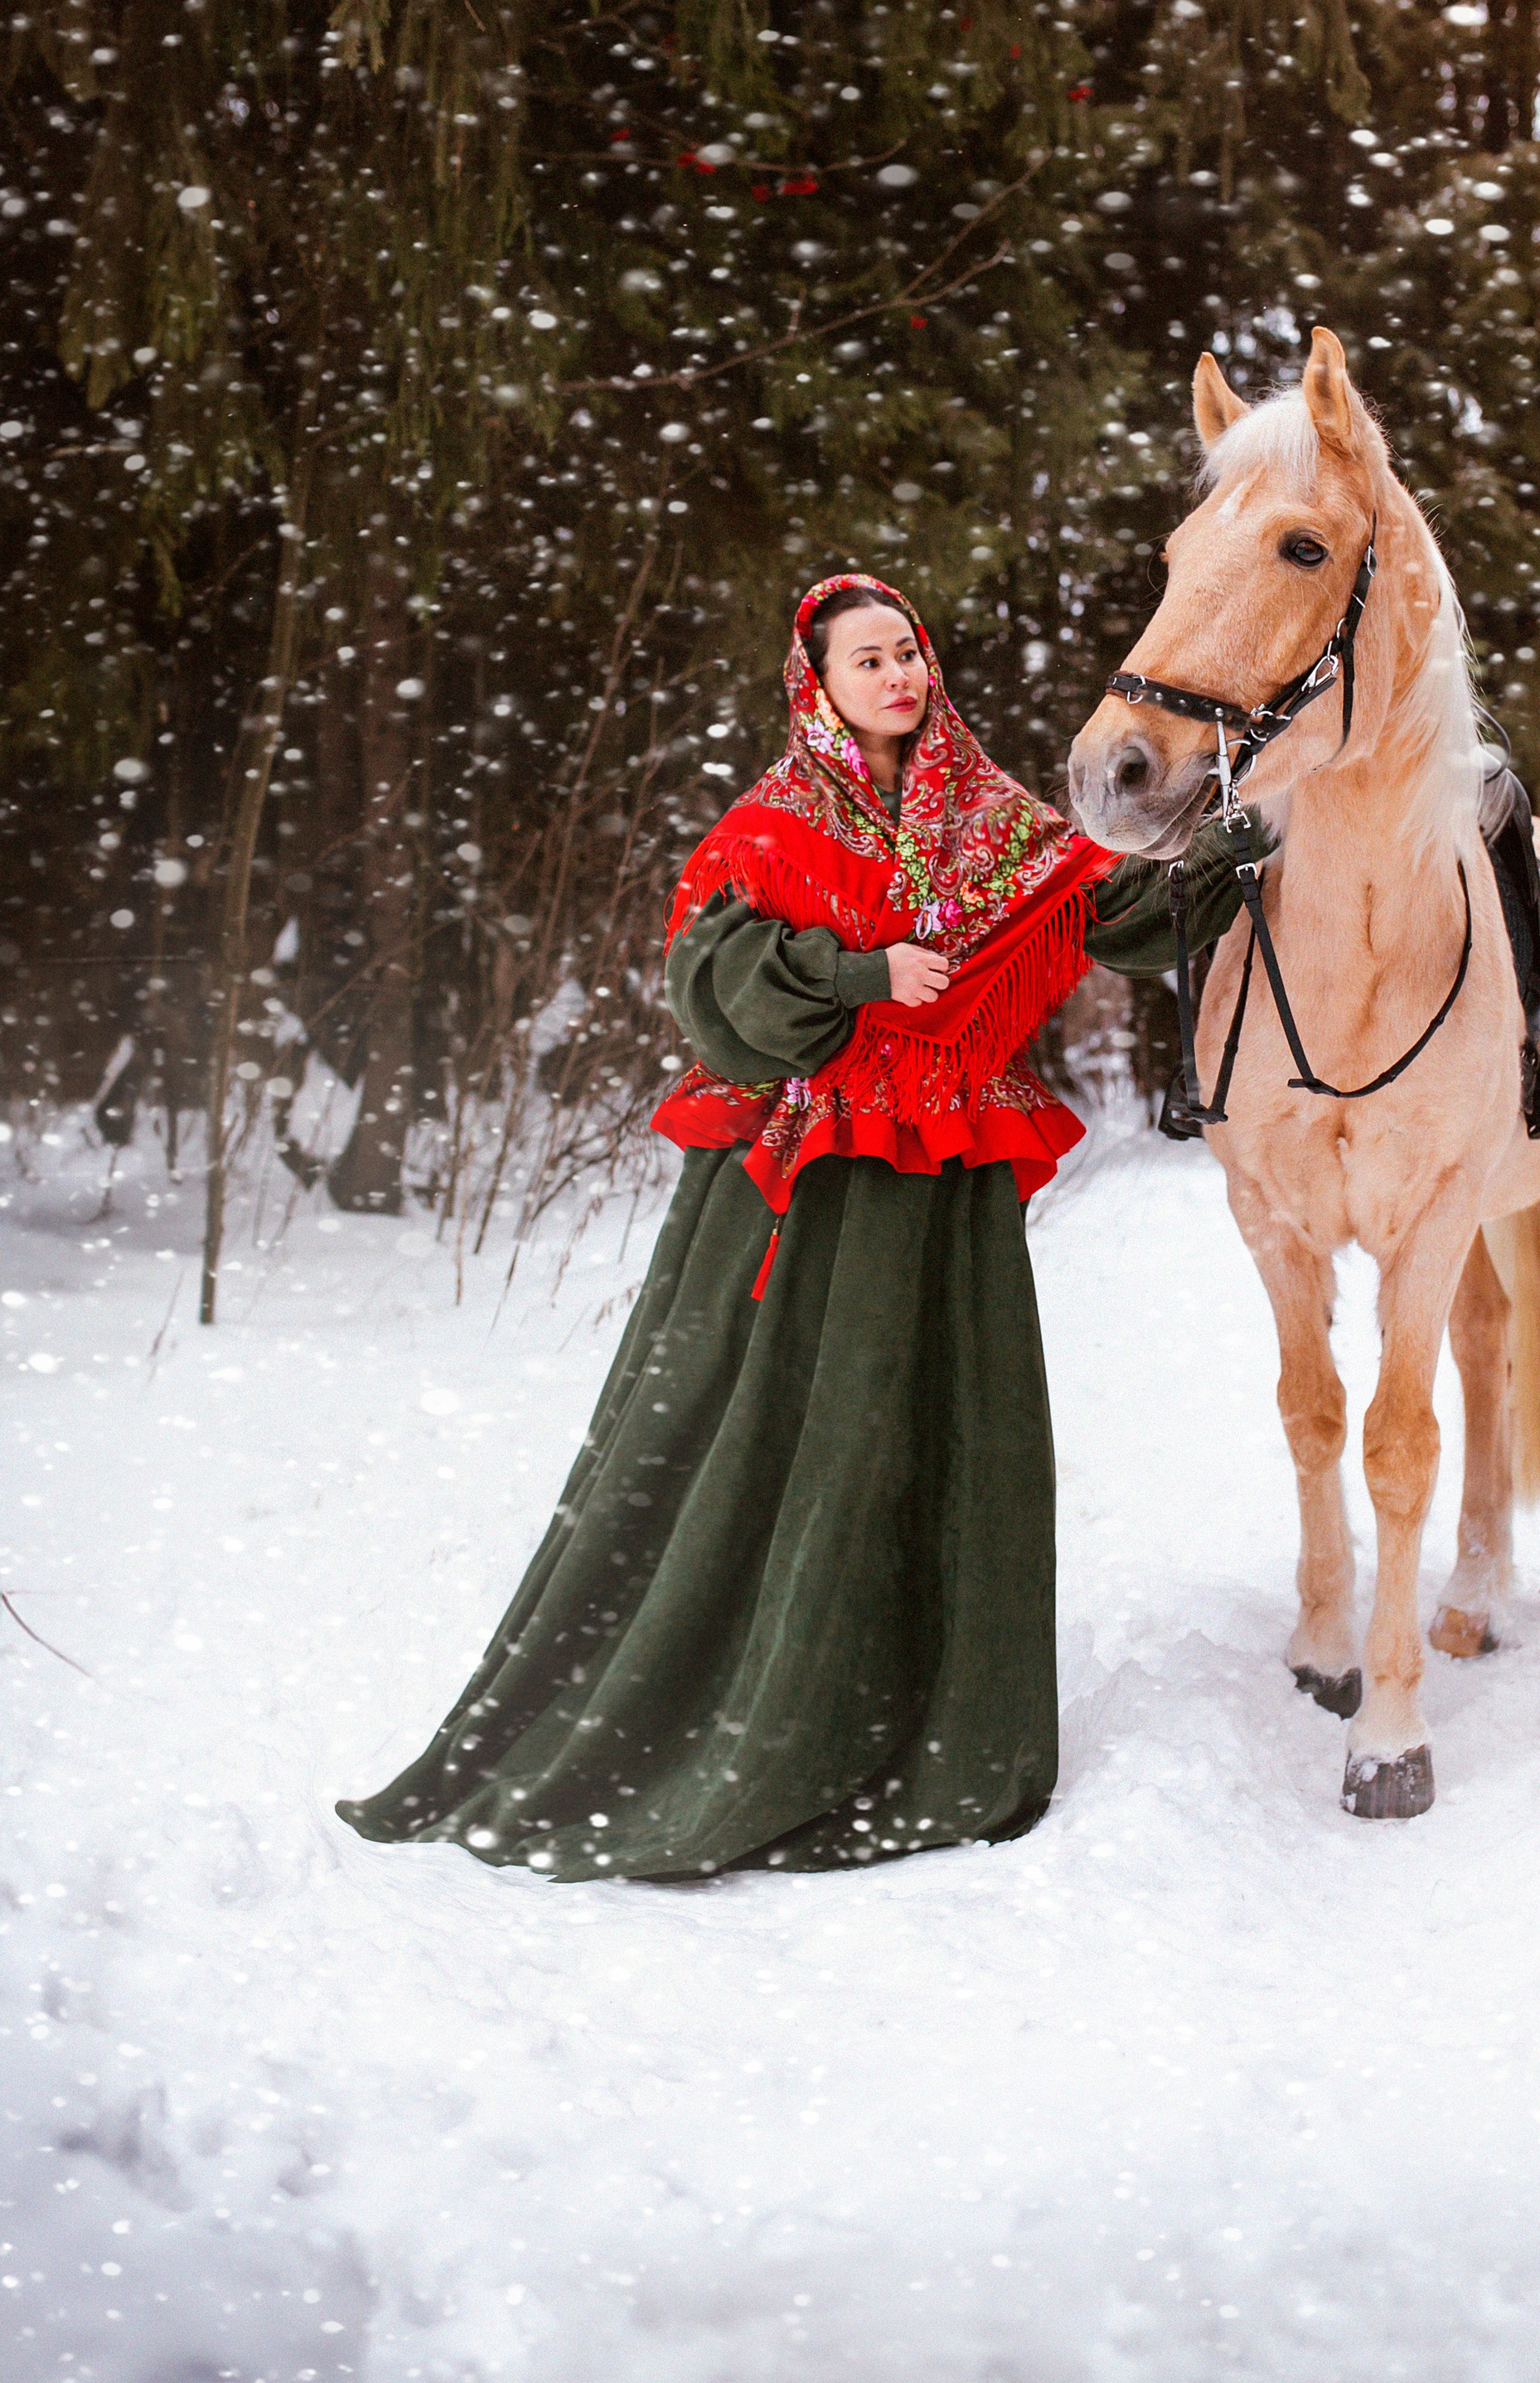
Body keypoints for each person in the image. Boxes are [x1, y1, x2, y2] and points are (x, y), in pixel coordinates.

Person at [337, 571, 1253, 1882]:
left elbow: (1116, 915)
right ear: (816, 683)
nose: (897, 675)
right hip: (802, 1182)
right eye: (866, 659)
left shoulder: (993, 820)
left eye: (907, 651)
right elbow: (712, 993)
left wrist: (1241, 839)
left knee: (939, 1435)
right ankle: (749, 1719)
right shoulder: (772, 826)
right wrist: (861, 974)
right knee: (762, 1435)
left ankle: (926, 1722)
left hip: (943, 1182)